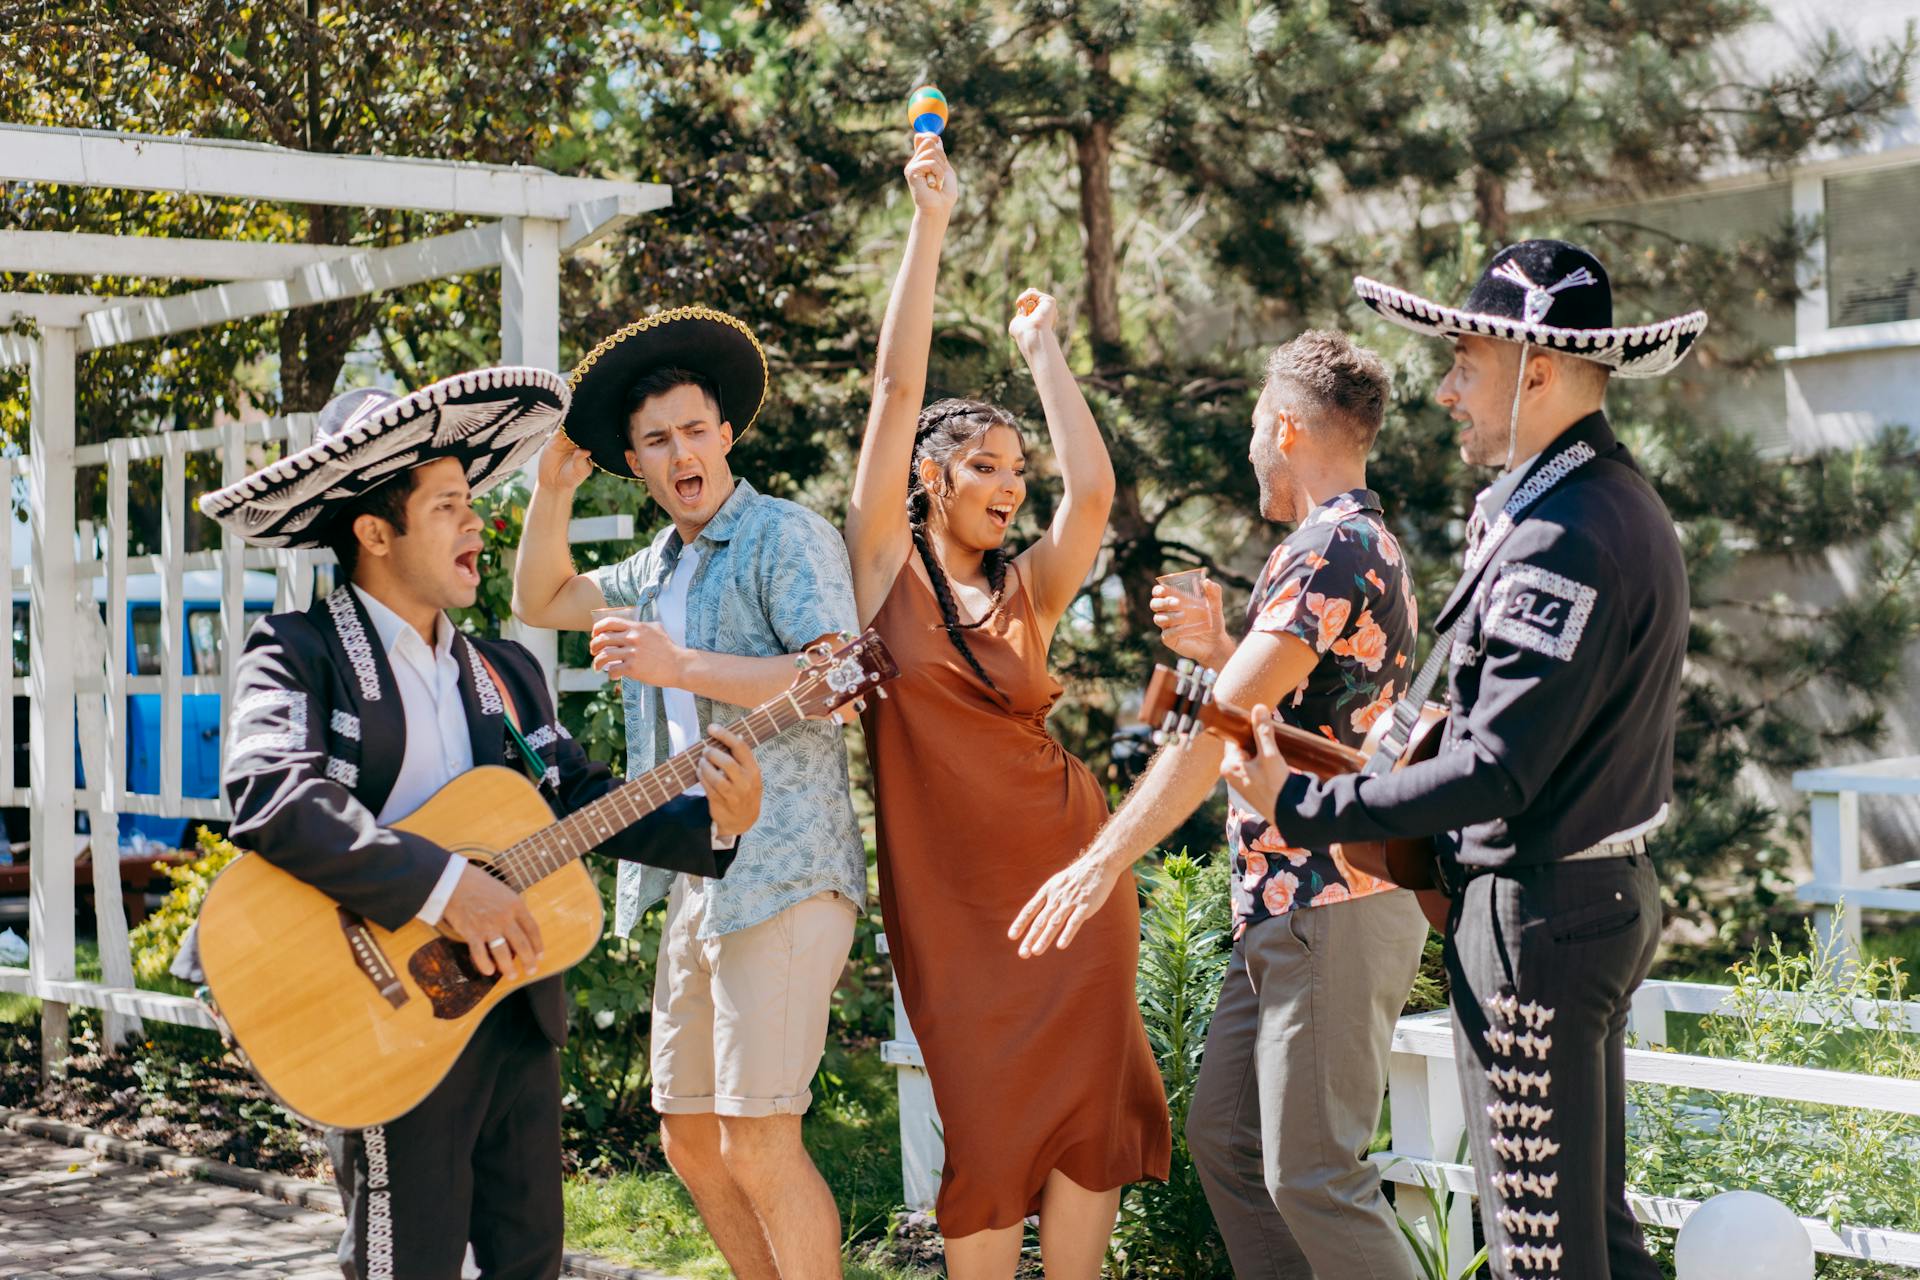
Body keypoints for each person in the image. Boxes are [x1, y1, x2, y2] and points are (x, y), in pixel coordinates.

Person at [197, 366, 764, 1280]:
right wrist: (446, 885)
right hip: (382, 1009)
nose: (479, 525)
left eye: (476, 502)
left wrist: (718, 826)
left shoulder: (504, 670)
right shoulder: (296, 654)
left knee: (531, 1262)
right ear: (375, 532)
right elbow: (272, 792)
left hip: (510, 1009)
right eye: (450, 506)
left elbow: (575, 799)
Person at [1223, 240, 1707, 1280]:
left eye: (1466, 361)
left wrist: (1303, 802)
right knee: (1590, 1241)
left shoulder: (1566, 532)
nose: (1445, 389)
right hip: (1564, 901)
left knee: (1543, 1247)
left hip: (1540, 910)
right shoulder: (1591, 504)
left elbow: (1495, 765)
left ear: (1537, 367)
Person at [1013, 329, 1428, 1279]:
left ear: (1283, 426)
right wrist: (1220, 651)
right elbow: (1281, 714)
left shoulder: (1332, 548)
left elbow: (1218, 733)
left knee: (1316, 1174)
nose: (1250, 447)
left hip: (1335, 902)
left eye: (1252, 425)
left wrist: (1100, 859)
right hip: (1283, 906)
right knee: (1231, 1145)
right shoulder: (1336, 549)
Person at [843, 131, 1168, 1280]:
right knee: (982, 1130)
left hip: (1075, 881)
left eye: (1014, 470)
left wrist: (1044, 351)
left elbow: (1094, 490)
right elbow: (896, 388)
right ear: (929, 478)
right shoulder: (882, 566)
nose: (1011, 484)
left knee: (1090, 1123)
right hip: (956, 912)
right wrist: (929, 229)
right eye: (987, 465)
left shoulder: (1027, 587)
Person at [511, 309, 863, 1280]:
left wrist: (682, 661)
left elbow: (837, 681)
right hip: (696, 878)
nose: (682, 452)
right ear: (635, 458)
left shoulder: (785, 535)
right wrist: (548, 492)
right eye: (658, 439)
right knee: (692, 1140)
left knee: (759, 1140)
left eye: (696, 429)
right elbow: (539, 600)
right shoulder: (655, 565)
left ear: (727, 434)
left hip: (787, 868)